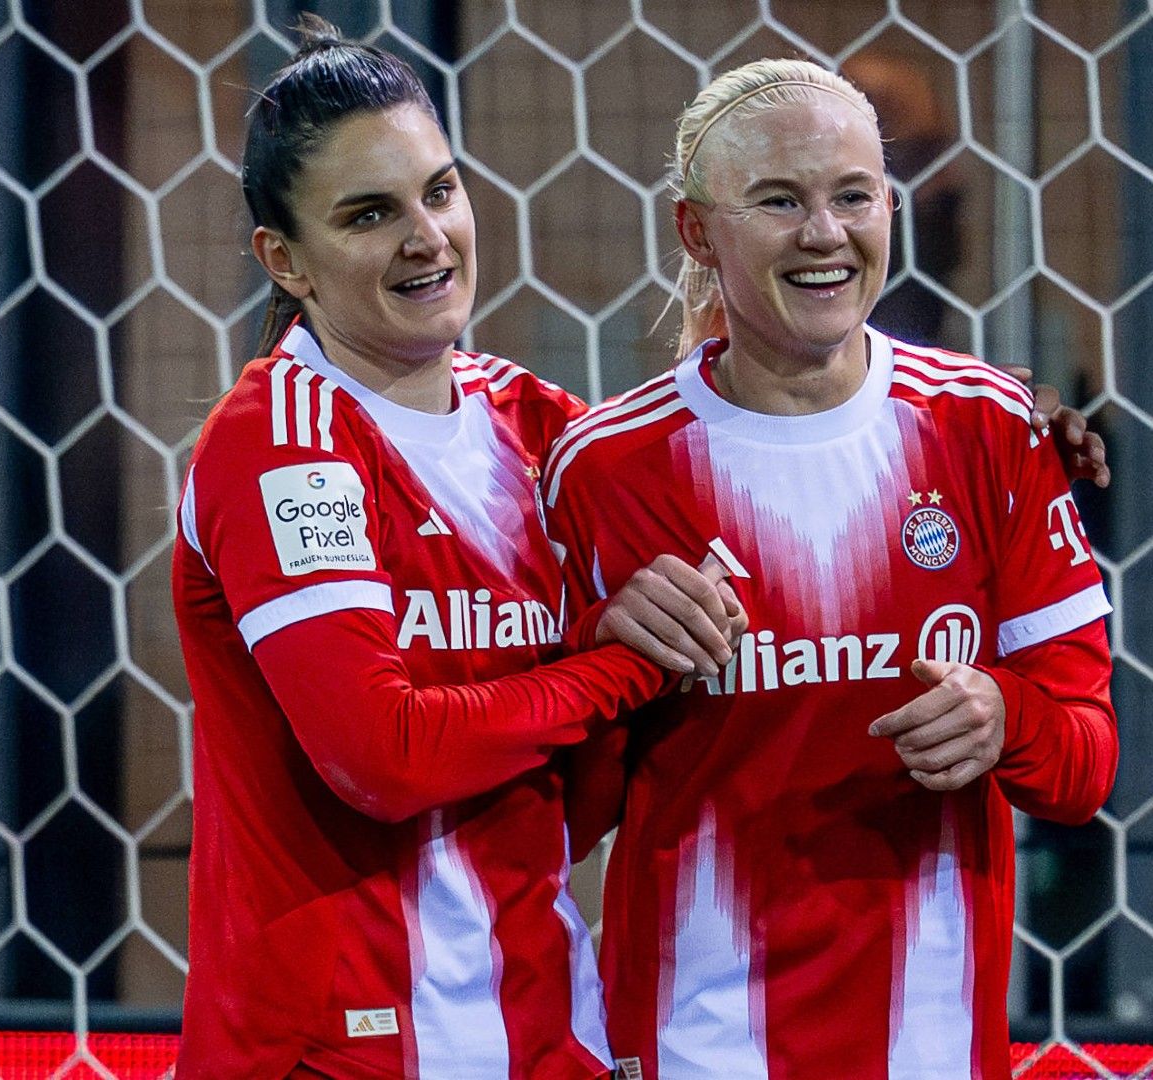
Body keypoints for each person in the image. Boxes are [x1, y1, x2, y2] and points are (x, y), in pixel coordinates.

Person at [171, 18, 746, 1078]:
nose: (426, 236)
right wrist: (617, 667)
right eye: (368, 214)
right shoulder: (277, 446)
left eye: (439, 191)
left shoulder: (541, 431)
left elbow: (571, 806)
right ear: (283, 261)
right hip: (330, 1055)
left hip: (539, 1035)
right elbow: (379, 756)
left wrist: (999, 441)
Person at [542, 59, 1118, 1079]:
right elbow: (561, 811)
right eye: (779, 201)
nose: (825, 233)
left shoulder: (989, 430)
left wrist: (1006, 718)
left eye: (853, 195)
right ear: (696, 232)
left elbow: (1083, 766)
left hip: (933, 1049)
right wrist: (601, 652)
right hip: (694, 1047)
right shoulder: (606, 471)